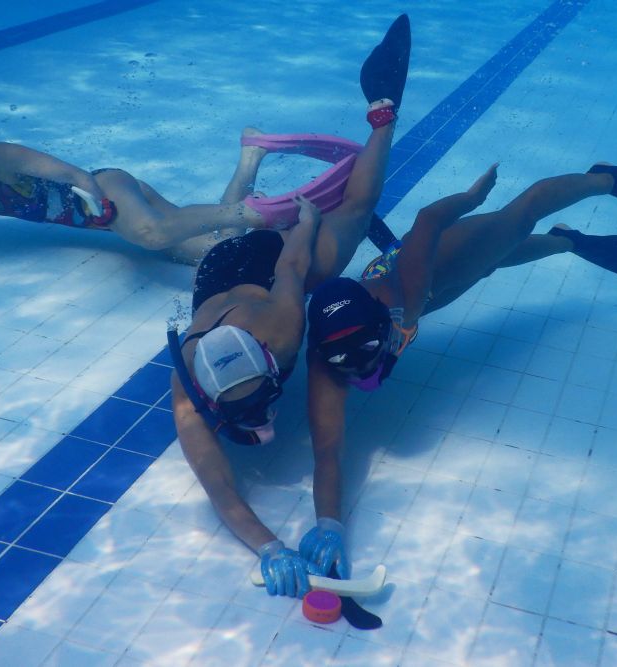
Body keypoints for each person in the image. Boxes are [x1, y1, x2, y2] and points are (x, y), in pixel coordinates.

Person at [302, 161, 617, 577]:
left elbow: (429, 219)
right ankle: (568, 242)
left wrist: (472, 198)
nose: (359, 367)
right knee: (491, 262)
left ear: (382, 321)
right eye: (343, 361)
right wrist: (329, 525)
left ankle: (607, 179)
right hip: (423, 292)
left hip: (437, 264)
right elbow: (327, 454)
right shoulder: (329, 364)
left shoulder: (405, 294)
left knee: (521, 215)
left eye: (370, 349)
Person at [168, 14, 411, 599]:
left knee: (355, 207)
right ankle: (251, 183)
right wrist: (269, 547)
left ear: (270, 361)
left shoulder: (280, 329)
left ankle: (382, 112)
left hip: (265, 267)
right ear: (208, 396)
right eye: (245, 411)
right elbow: (222, 494)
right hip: (215, 277)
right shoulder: (188, 402)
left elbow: (292, 269)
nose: (262, 418)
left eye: (264, 400)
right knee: (233, 244)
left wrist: (304, 223)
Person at [0, 108, 346, 263]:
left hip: (106, 192)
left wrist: (97, 201)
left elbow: (71, 173)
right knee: (211, 252)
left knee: (153, 235)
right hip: (104, 220)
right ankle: (251, 155)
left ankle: (251, 212)